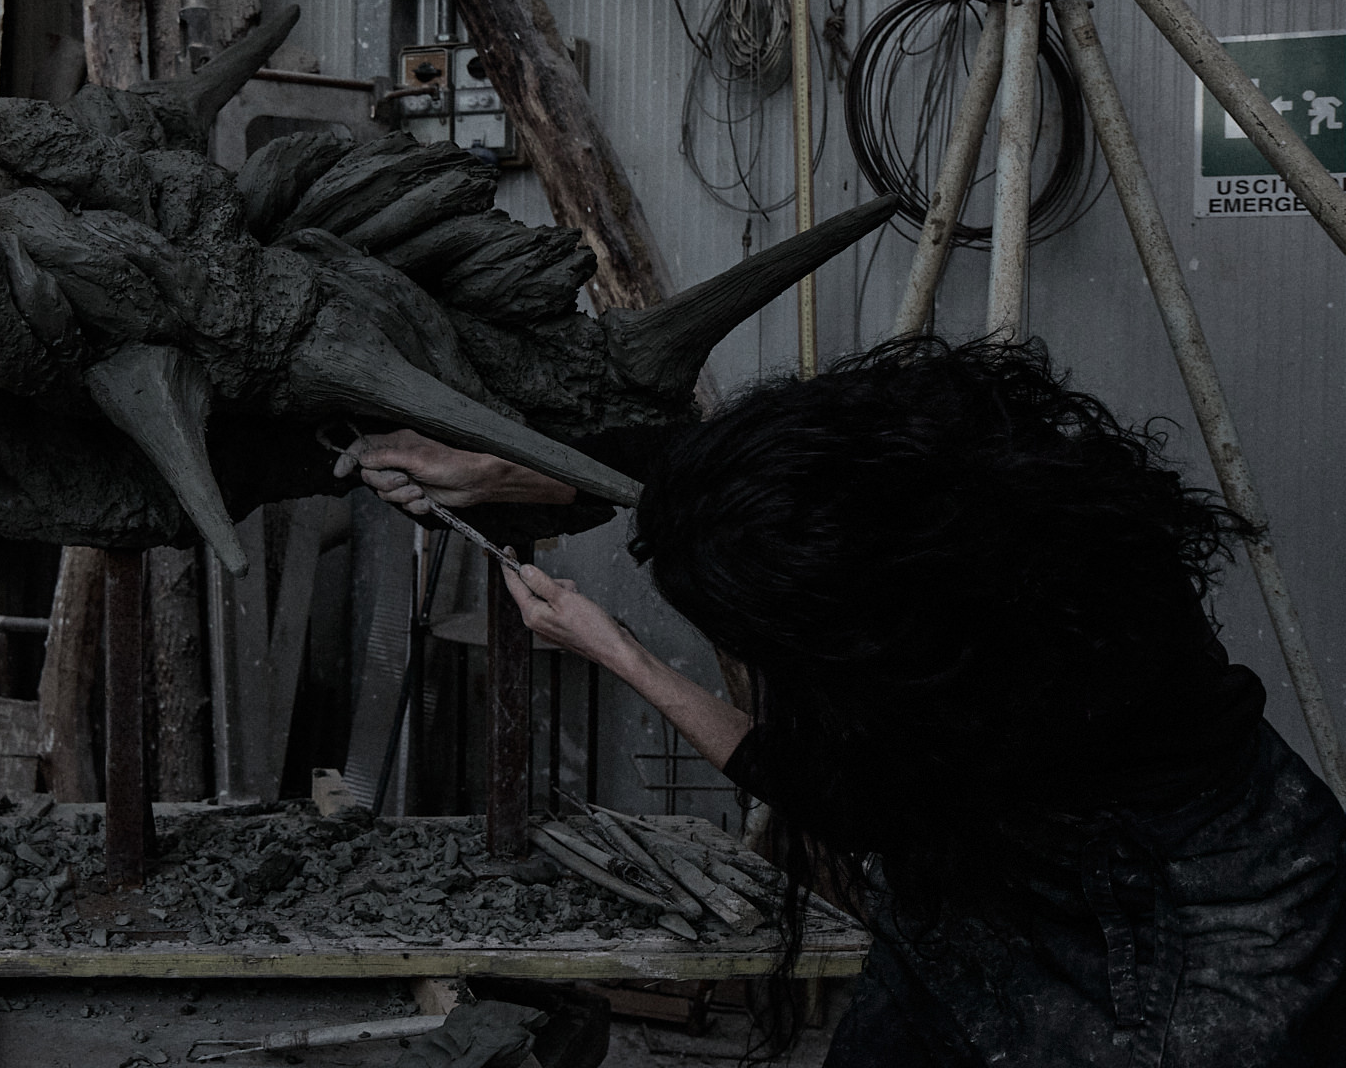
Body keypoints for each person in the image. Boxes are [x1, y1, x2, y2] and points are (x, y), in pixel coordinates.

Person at [334, 337, 1346, 1065]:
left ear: (860, 635)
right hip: (996, 888)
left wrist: (620, 653)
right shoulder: (942, 491)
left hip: (1182, 928)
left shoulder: (1009, 695)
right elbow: (734, 489)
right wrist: (496, 468)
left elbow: (833, 791)